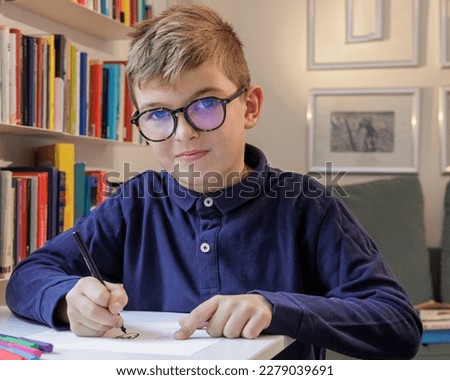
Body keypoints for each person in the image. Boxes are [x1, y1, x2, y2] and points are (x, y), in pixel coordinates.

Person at [6, 4, 422, 360]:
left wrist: (277, 307)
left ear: (250, 107)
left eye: (205, 104)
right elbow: (30, 275)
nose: (183, 132)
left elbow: (399, 323)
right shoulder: (135, 202)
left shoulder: (307, 205)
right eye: (157, 114)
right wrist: (66, 299)